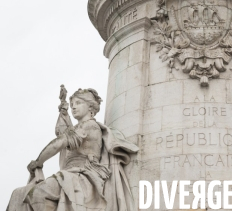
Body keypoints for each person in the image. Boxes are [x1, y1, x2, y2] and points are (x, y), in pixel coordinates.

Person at [7, 88, 138, 211]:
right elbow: (63, 136)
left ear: (90, 107)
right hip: (70, 173)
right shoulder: (78, 128)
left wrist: (39, 162)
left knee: (38, 193)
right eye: (72, 104)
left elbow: (60, 143)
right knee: (18, 195)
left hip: (83, 174)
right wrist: (63, 113)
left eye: (78, 103)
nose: (73, 107)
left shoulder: (89, 125)